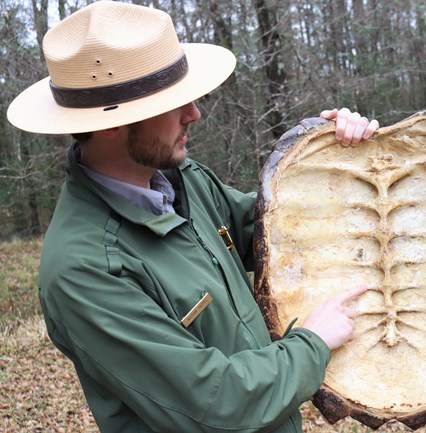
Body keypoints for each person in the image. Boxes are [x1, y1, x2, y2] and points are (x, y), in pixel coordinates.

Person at [6, 2, 379, 433]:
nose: (194, 114)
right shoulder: (85, 269)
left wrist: (325, 158)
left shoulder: (181, 179)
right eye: (172, 103)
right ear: (110, 124)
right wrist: (312, 343)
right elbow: (215, 405)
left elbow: (277, 231)